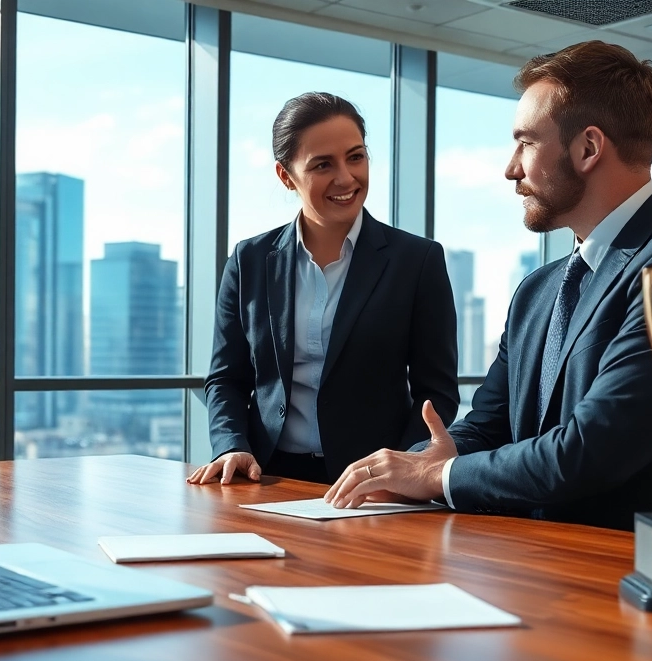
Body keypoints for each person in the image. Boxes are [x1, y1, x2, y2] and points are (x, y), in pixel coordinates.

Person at [324, 42, 652, 530]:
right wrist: (417, 464)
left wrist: (440, 475)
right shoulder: (537, 291)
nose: (512, 168)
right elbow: (487, 425)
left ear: (588, 149)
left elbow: (594, 449)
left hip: (641, 567)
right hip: (533, 559)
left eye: (526, 143)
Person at [189, 92, 458, 486]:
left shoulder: (417, 261)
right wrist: (231, 445)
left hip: (373, 486)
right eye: (322, 165)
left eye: (356, 157)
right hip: (265, 477)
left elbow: (436, 392)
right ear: (286, 176)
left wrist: (406, 466)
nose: (346, 178)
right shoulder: (249, 260)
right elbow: (227, 378)